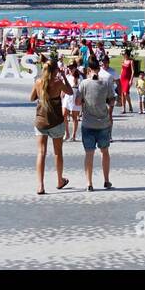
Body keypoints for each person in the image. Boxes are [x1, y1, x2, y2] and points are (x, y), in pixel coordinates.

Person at [31, 54, 71, 194]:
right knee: (58, 153)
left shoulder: (38, 82)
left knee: (41, 153)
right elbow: (70, 92)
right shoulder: (58, 83)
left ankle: (40, 186)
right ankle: (60, 180)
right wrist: (63, 77)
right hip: (56, 121)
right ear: (55, 70)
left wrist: (40, 93)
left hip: (41, 121)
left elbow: (31, 98)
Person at [77, 61, 116, 191]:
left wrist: (84, 100)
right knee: (104, 151)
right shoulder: (106, 83)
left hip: (88, 123)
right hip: (103, 123)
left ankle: (89, 183)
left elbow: (77, 101)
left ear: (89, 70)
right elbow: (112, 101)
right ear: (98, 70)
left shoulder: (83, 84)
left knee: (89, 153)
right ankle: (106, 180)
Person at [63, 62, 82, 141]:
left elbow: (81, 89)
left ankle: (73, 135)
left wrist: (80, 98)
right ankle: (66, 133)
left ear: (75, 68)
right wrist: (62, 94)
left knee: (74, 117)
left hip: (75, 95)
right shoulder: (67, 76)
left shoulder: (79, 77)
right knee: (64, 115)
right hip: (67, 96)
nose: (70, 69)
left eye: (71, 68)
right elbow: (63, 86)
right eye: (69, 68)